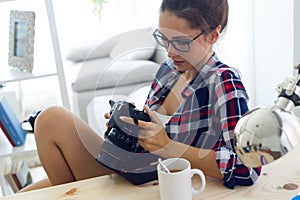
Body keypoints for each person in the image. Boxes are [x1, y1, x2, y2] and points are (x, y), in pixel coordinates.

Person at [20, 0, 260, 192]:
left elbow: (247, 166)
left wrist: (168, 146)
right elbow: (151, 135)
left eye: (180, 42)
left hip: (153, 183)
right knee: (23, 192)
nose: (170, 51)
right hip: (130, 167)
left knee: (52, 120)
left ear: (213, 35)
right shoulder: (169, 70)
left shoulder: (223, 82)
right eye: (164, 39)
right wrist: (127, 125)